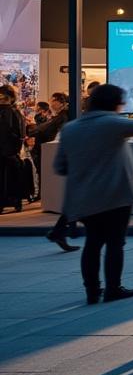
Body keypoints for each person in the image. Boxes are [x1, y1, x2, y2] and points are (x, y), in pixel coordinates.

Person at [52, 84, 133, 304]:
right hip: (115, 195)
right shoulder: (112, 123)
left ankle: (92, 290)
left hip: (84, 197)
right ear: (115, 103)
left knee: (92, 243)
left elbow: (60, 167)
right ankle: (113, 287)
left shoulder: (70, 129)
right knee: (115, 243)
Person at [30, 92, 78, 251]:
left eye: (53, 100)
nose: (51, 103)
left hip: (77, 167)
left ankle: (61, 232)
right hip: (80, 168)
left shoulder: (66, 117)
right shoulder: (68, 118)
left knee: (77, 202)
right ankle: (61, 232)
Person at [0, 85, 30, 214]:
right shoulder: (16, 111)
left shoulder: (6, 111)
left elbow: (9, 130)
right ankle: (16, 201)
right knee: (13, 177)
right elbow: (19, 133)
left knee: (3, 178)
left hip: (6, 150)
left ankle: (5, 202)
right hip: (12, 151)